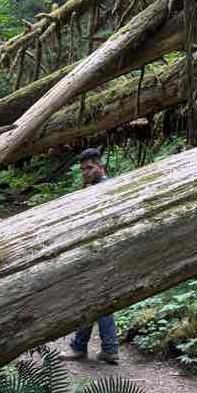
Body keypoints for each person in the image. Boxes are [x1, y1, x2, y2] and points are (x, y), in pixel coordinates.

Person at [61, 148, 120, 365]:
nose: (85, 172)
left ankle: (90, 348)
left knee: (95, 300)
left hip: (102, 253)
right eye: (82, 169)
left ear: (100, 167)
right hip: (97, 252)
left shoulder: (105, 188)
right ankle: (100, 348)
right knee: (95, 300)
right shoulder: (94, 188)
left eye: (89, 168)